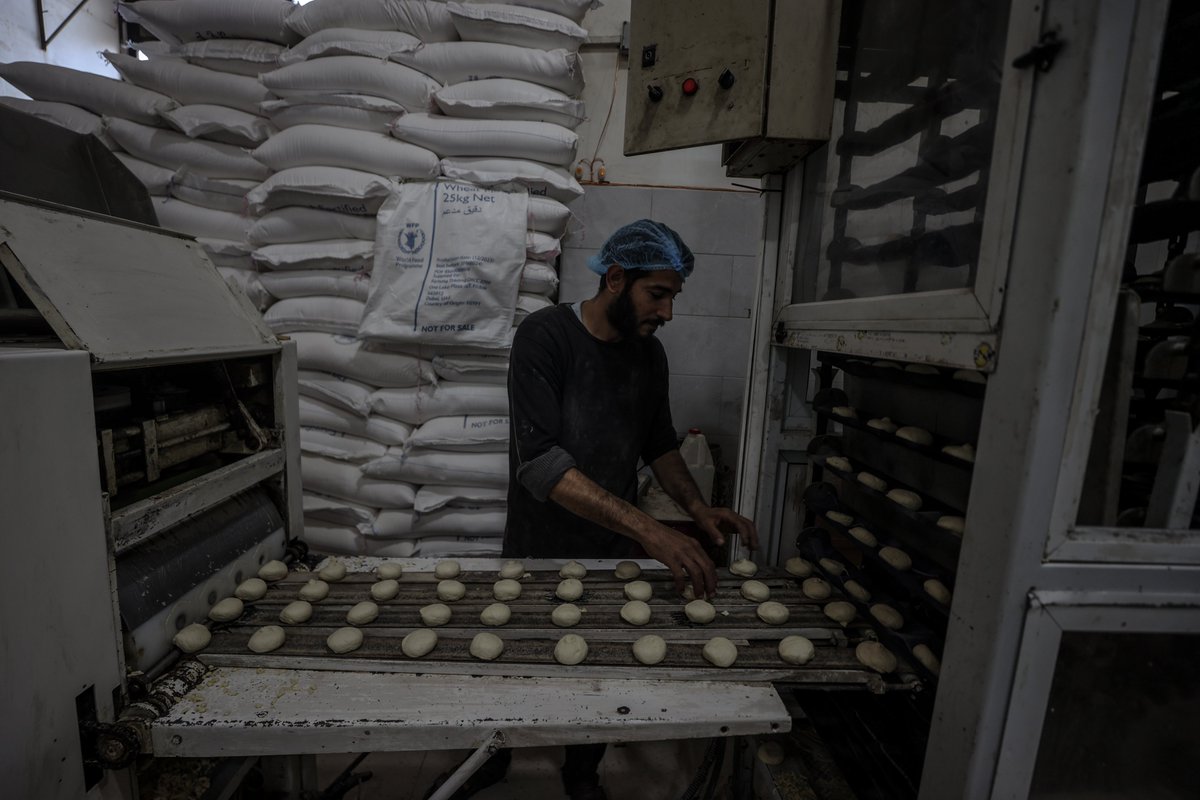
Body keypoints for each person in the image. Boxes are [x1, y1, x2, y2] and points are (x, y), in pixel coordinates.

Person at [427, 220, 757, 800]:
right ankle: (495, 756)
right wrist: (650, 529)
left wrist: (698, 509)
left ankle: (581, 771)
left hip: (609, 551)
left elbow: (659, 443)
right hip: (539, 541)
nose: (668, 312)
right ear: (614, 278)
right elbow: (541, 462)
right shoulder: (545, 336)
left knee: (602, 663)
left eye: (673, 297)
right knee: (519, 653)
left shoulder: (649, 356)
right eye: (658, 294)